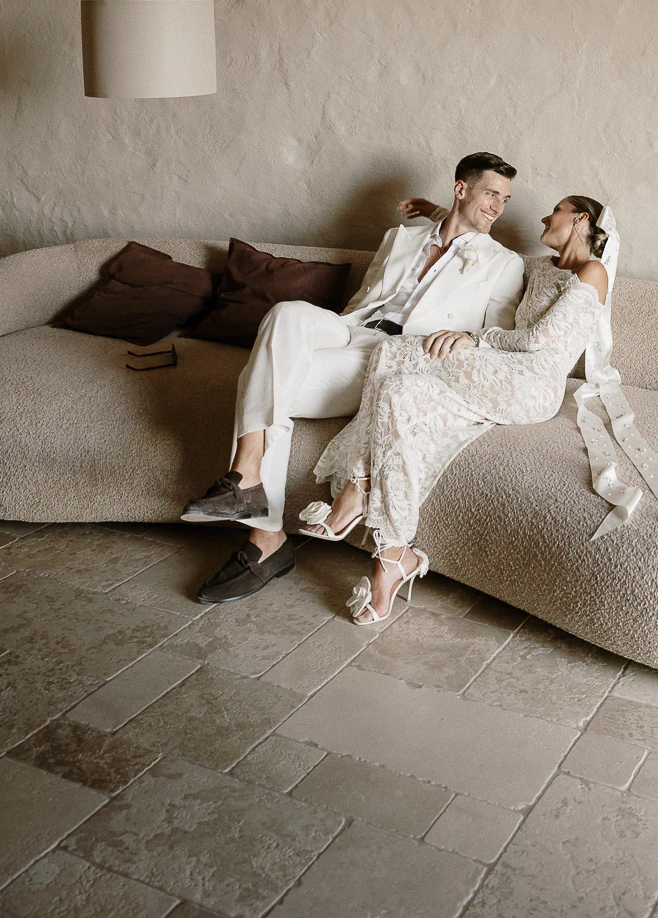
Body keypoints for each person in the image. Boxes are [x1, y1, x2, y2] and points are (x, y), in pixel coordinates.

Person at [182, 152, 525, 603]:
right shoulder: (401, 237)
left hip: (398, 357)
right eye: (490, 193)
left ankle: (262, 537)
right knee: (285, 315)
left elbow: (497, 335)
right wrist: (338, 333)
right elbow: (366, 300)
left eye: (505, 199)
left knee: (263, 383)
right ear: (461, 189)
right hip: (353, 331)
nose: (498, 206)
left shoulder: (503, 263)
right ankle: (247, 478)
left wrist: (466, 336)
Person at [305, 194, 611, 623]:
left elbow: (539, 340)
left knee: (395, 352)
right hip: (501, 371)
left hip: (532, 383)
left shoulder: (592, 272)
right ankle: (393, 556)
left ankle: (357, 486)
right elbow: (477, 237)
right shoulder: (538, 266)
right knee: (398, 393)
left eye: (555, 211)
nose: (544, 216)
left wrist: (475, 337)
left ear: (580, 219)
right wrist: (435, 210)